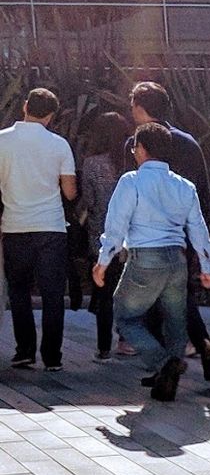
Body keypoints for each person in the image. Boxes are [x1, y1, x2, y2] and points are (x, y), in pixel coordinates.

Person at [94, 122, 210, 401]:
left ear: (142, 149)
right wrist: (207, 267)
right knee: (175, 321)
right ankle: (166, 381)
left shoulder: (131, 181)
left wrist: (103, 261)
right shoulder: (185, 186)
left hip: (145, 258)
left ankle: (164, 364)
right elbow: (198, 228)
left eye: (135, 147)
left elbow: (116, 226)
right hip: (177, 258)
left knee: (125, 317)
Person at [126, 81, 210, 382]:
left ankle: (165, 367)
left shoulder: (139, 144)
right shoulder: (188, 143)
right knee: (178, 293)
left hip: (150, 236)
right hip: (185, 233)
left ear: (140, 109)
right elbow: (202, 192)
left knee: (153, 301)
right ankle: (201, 342)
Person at [0, 88, 78, 370]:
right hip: (51, 228)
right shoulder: (59, 145)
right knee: (52, 293)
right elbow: (69, 192)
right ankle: (52, 357)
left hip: (14, 225)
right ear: (51, 116)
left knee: (19, 291)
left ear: (24, 107)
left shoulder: (2, 141)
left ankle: (24, 350)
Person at [77, 111, 132, 363]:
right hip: (130, 235)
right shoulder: (131, 163)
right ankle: (126, 339)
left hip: (101, 234)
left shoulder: (91, 164)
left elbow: (88, 201)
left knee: (104, 290)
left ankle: (102, 347)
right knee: (127, 290)